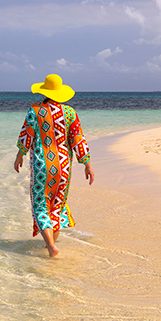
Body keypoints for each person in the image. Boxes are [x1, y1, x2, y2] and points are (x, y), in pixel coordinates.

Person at [15, 74, 95, 258]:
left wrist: (19, 156)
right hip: (64, 168)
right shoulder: (70, 113)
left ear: (44, 91)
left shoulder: (35, 111)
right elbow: (78, 141)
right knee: (56, 207)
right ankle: (49, 247)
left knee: (40, 205)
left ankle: (50, 246)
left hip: (42, 167)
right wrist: (87, 165)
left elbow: (25, 136)